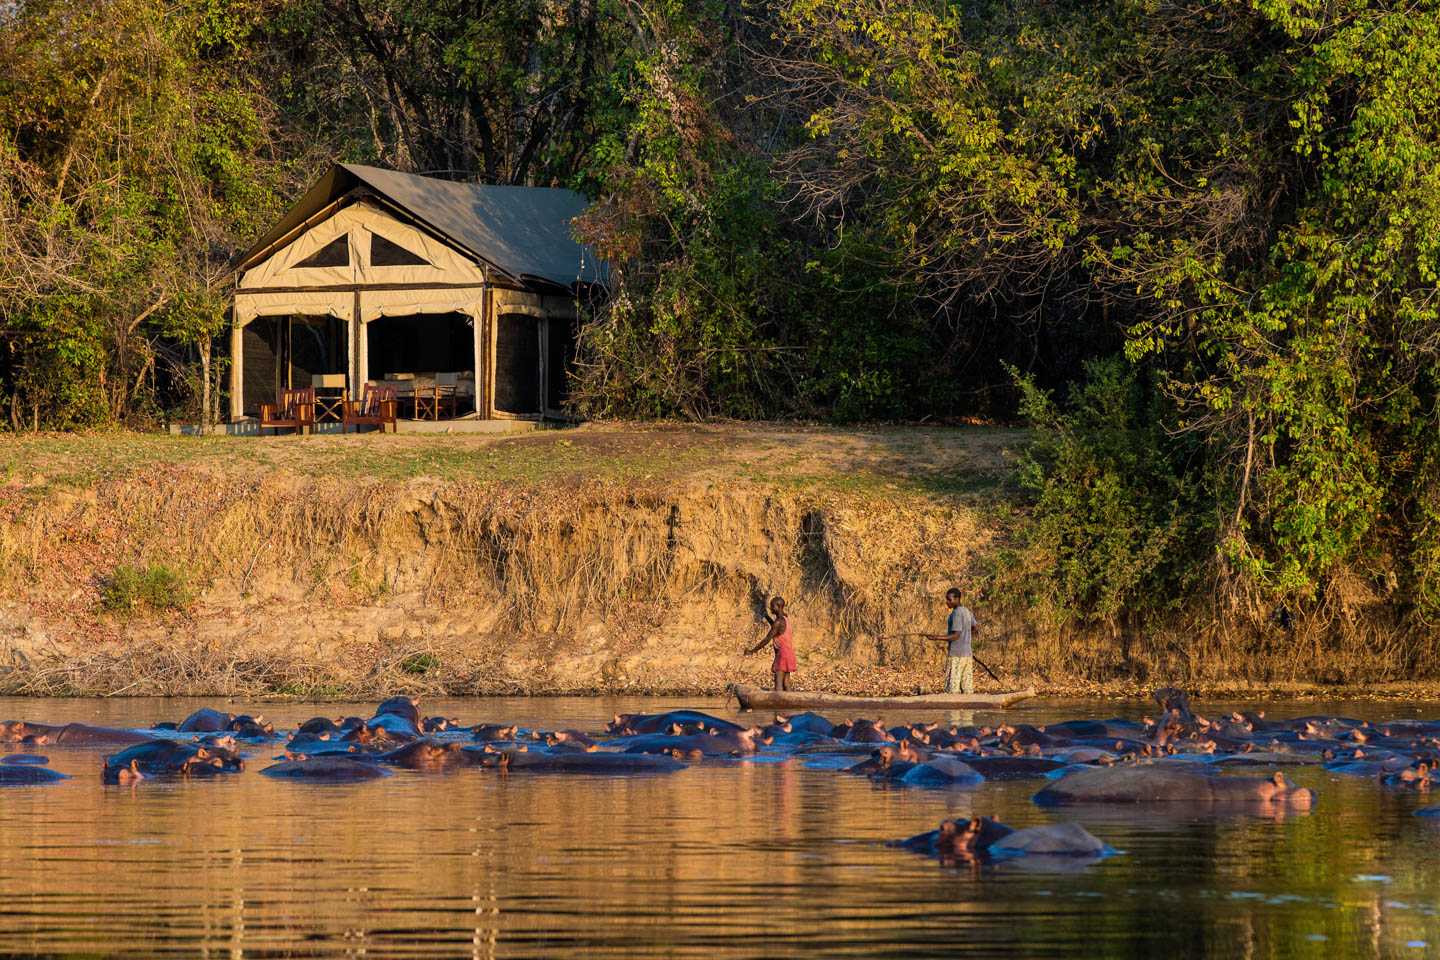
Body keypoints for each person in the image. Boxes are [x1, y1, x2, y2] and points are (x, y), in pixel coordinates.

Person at [927, 587, 979, 694]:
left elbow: (955, 636)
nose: (947, 602)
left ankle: (954, 708)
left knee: (953, 688)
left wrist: (936, 637)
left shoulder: (956, 613)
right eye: (946, 599)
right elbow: (975, 628)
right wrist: (967, 640)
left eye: (949, 600)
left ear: (957, 599)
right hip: (967, 655)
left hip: (956, 655)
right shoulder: (967, 611)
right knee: (967, 688)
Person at [745, 596, 796, 691]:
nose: (771, 608)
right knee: (786, 682)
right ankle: (791, 703)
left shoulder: (778, 622)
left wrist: (752, 651)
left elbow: (767, 639)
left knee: (778, 682)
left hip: (783, 654)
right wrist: (767, 617)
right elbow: (777, 628)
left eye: (772, 606)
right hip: (789, 653)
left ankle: (778, 703)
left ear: (778, 606)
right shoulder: (785, 618)